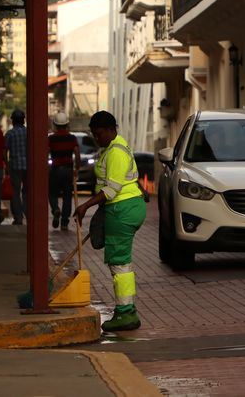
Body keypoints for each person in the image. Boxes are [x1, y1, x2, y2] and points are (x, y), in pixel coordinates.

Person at [74, 111, 146, 332]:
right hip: (122, 208)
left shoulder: (115, 152)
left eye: (99, 134)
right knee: (120, 261)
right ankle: (126, 310)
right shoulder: (112, 147)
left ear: (111, 130)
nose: (97, 138)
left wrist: (86, 205)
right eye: (94, 135)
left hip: (122, 209)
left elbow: (112, 190)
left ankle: (125, 313)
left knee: (120, 263)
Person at [48, 112, 80, 230]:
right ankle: (64, 222)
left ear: (55, 125)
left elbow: (46, 153)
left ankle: (56, 209)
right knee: (67, 196)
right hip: (68, 170)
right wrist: (77, 168)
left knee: (52, 193)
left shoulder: (51, 138)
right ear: (67, 124)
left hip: (55, 170)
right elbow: (77, 154)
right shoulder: (72, 138)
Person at [4, 108, 28, 225]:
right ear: (23, 120)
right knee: (26, 192)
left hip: (15, 166)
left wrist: (6, 166)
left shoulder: (10, 133)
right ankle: (27, 213)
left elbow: (4, 151)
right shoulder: (29, 132)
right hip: (28, 166)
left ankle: (18, 217)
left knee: (15, 192)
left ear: (13, 121)